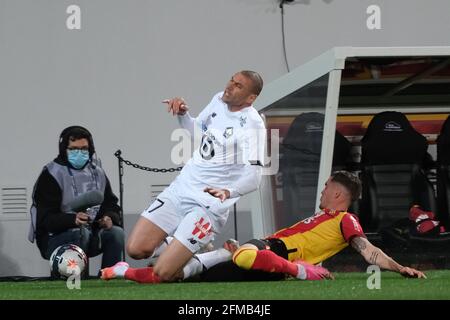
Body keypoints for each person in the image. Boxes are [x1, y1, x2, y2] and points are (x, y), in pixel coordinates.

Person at [101, 70, 266, 283]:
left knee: (164, 273)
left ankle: (221, 254)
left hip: (208, 205)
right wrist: (183, 115)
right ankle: (184, 244)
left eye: (238, 86)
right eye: (231, 81)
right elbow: (198, 133)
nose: (229, 86)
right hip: (181, 189)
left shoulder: (253, 124)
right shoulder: (218, 99)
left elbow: (255, 176)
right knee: (135, 249)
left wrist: (228, 191)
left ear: (251, 98)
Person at [198, 170, 426, 281]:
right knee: (203, 277)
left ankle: (300, 271)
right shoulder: (324, 216)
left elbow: (368, 250)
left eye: (326, 186)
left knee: (244, 256)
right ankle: (232, 254)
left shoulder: (345, 219)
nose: (322, 190)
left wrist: (400, 268)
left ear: (337, 192)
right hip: (273, 259)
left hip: (278, 252)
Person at [29, 126, 125, 274]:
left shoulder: (97, 172)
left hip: (90, 232)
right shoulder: (51, 174)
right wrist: (72, 220)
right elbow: (45, 220)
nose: (79, 153)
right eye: (73, 149)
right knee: (79, 233)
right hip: (55, 237)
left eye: (84, 149)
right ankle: (77, 282)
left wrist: (109, 217)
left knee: (116, 233)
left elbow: (111, 204)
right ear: (64, 149)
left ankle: (109, 277)